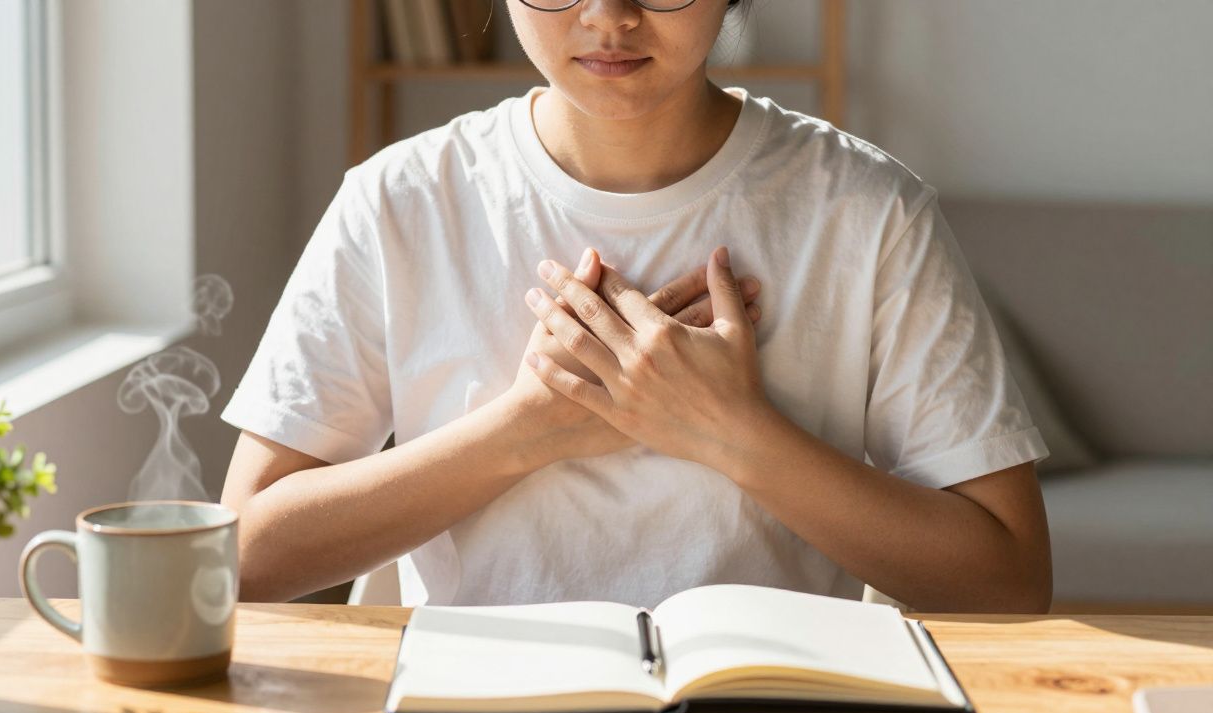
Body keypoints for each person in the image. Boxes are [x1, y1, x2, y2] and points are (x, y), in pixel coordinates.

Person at [219, 0, 1053, 613]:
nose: (610, 17)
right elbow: (240, 558)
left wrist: (730, 430)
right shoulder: (396, 203)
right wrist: (527, 431)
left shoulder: (869, 209)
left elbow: (1009, 579)